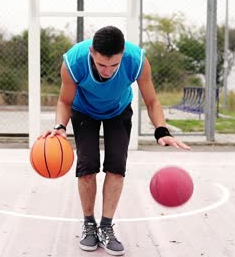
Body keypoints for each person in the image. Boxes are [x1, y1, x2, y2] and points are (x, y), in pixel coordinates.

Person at [41, 25, 191, 256]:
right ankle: (89, 225)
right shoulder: (74, 60)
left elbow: (151, 101)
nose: (108, 71)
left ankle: (106, 226)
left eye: (114, 65)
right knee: (87, 167)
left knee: (116, 168)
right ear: (92, 51)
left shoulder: (136, 60)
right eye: (102, 64)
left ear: (123, 54)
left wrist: (162, 130)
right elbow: (64, 101)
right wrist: (60, 126)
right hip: (84, 112)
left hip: (118, 111)